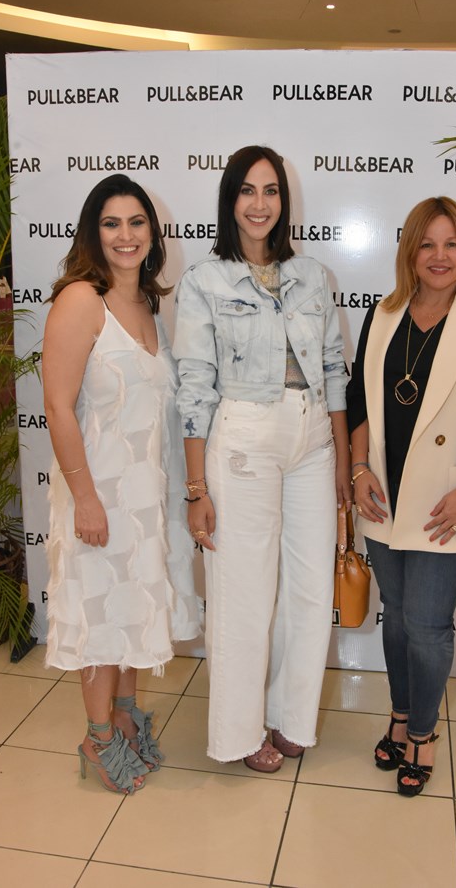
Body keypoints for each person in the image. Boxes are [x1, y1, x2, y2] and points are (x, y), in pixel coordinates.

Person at [173, 145, 350, 772]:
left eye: (270, 190)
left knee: (307, 589)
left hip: (312, 439)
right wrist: (197, 487)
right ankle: (239, 732)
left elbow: (333, 369)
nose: (259, 203)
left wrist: (341, 459)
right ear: (230, 200)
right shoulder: (203, 281)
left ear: (284, 200)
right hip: (243, 434)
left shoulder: (314, 276)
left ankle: (293, 718)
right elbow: (194, 386)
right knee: (244, 594)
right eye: (246, 191)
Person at [346, 196, 456, 797]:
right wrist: (357, 470)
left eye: (451, 244)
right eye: (428, 244)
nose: (440, 256)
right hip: (383, 500)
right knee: (396, 620)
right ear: (410, 252)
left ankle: (422, 731)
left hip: (447, 505)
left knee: (426, 625)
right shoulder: (383, 314)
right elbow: (357, 400)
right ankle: (400, 714)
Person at [43, 174, 200, 794]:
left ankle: (127, 715)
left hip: (146, 493)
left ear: (152, 234)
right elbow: (57, 406)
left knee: (136, 607)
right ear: (93, 232)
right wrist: (84, 496)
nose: (126, 236)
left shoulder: (157, 304)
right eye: (112, 224)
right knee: (100, 614)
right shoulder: (82, 299)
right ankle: (97, 735)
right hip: (98, 492)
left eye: (136, 223)